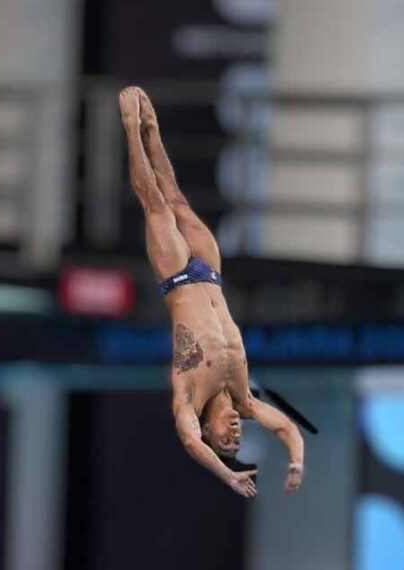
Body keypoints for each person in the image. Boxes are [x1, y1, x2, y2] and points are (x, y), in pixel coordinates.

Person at [117, 86, 305, 498]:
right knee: (178, 201)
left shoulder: (188, 397)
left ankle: (131, 129)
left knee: (155, 206)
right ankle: (153, 132)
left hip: (177, 277)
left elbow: (189, 443)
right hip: (210, 273)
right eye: (236, 441)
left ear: (208, 429)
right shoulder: (245, 399)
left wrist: (226, 473)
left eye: (225, 440)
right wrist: (295, 462)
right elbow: (288, 426)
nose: (234, 434)